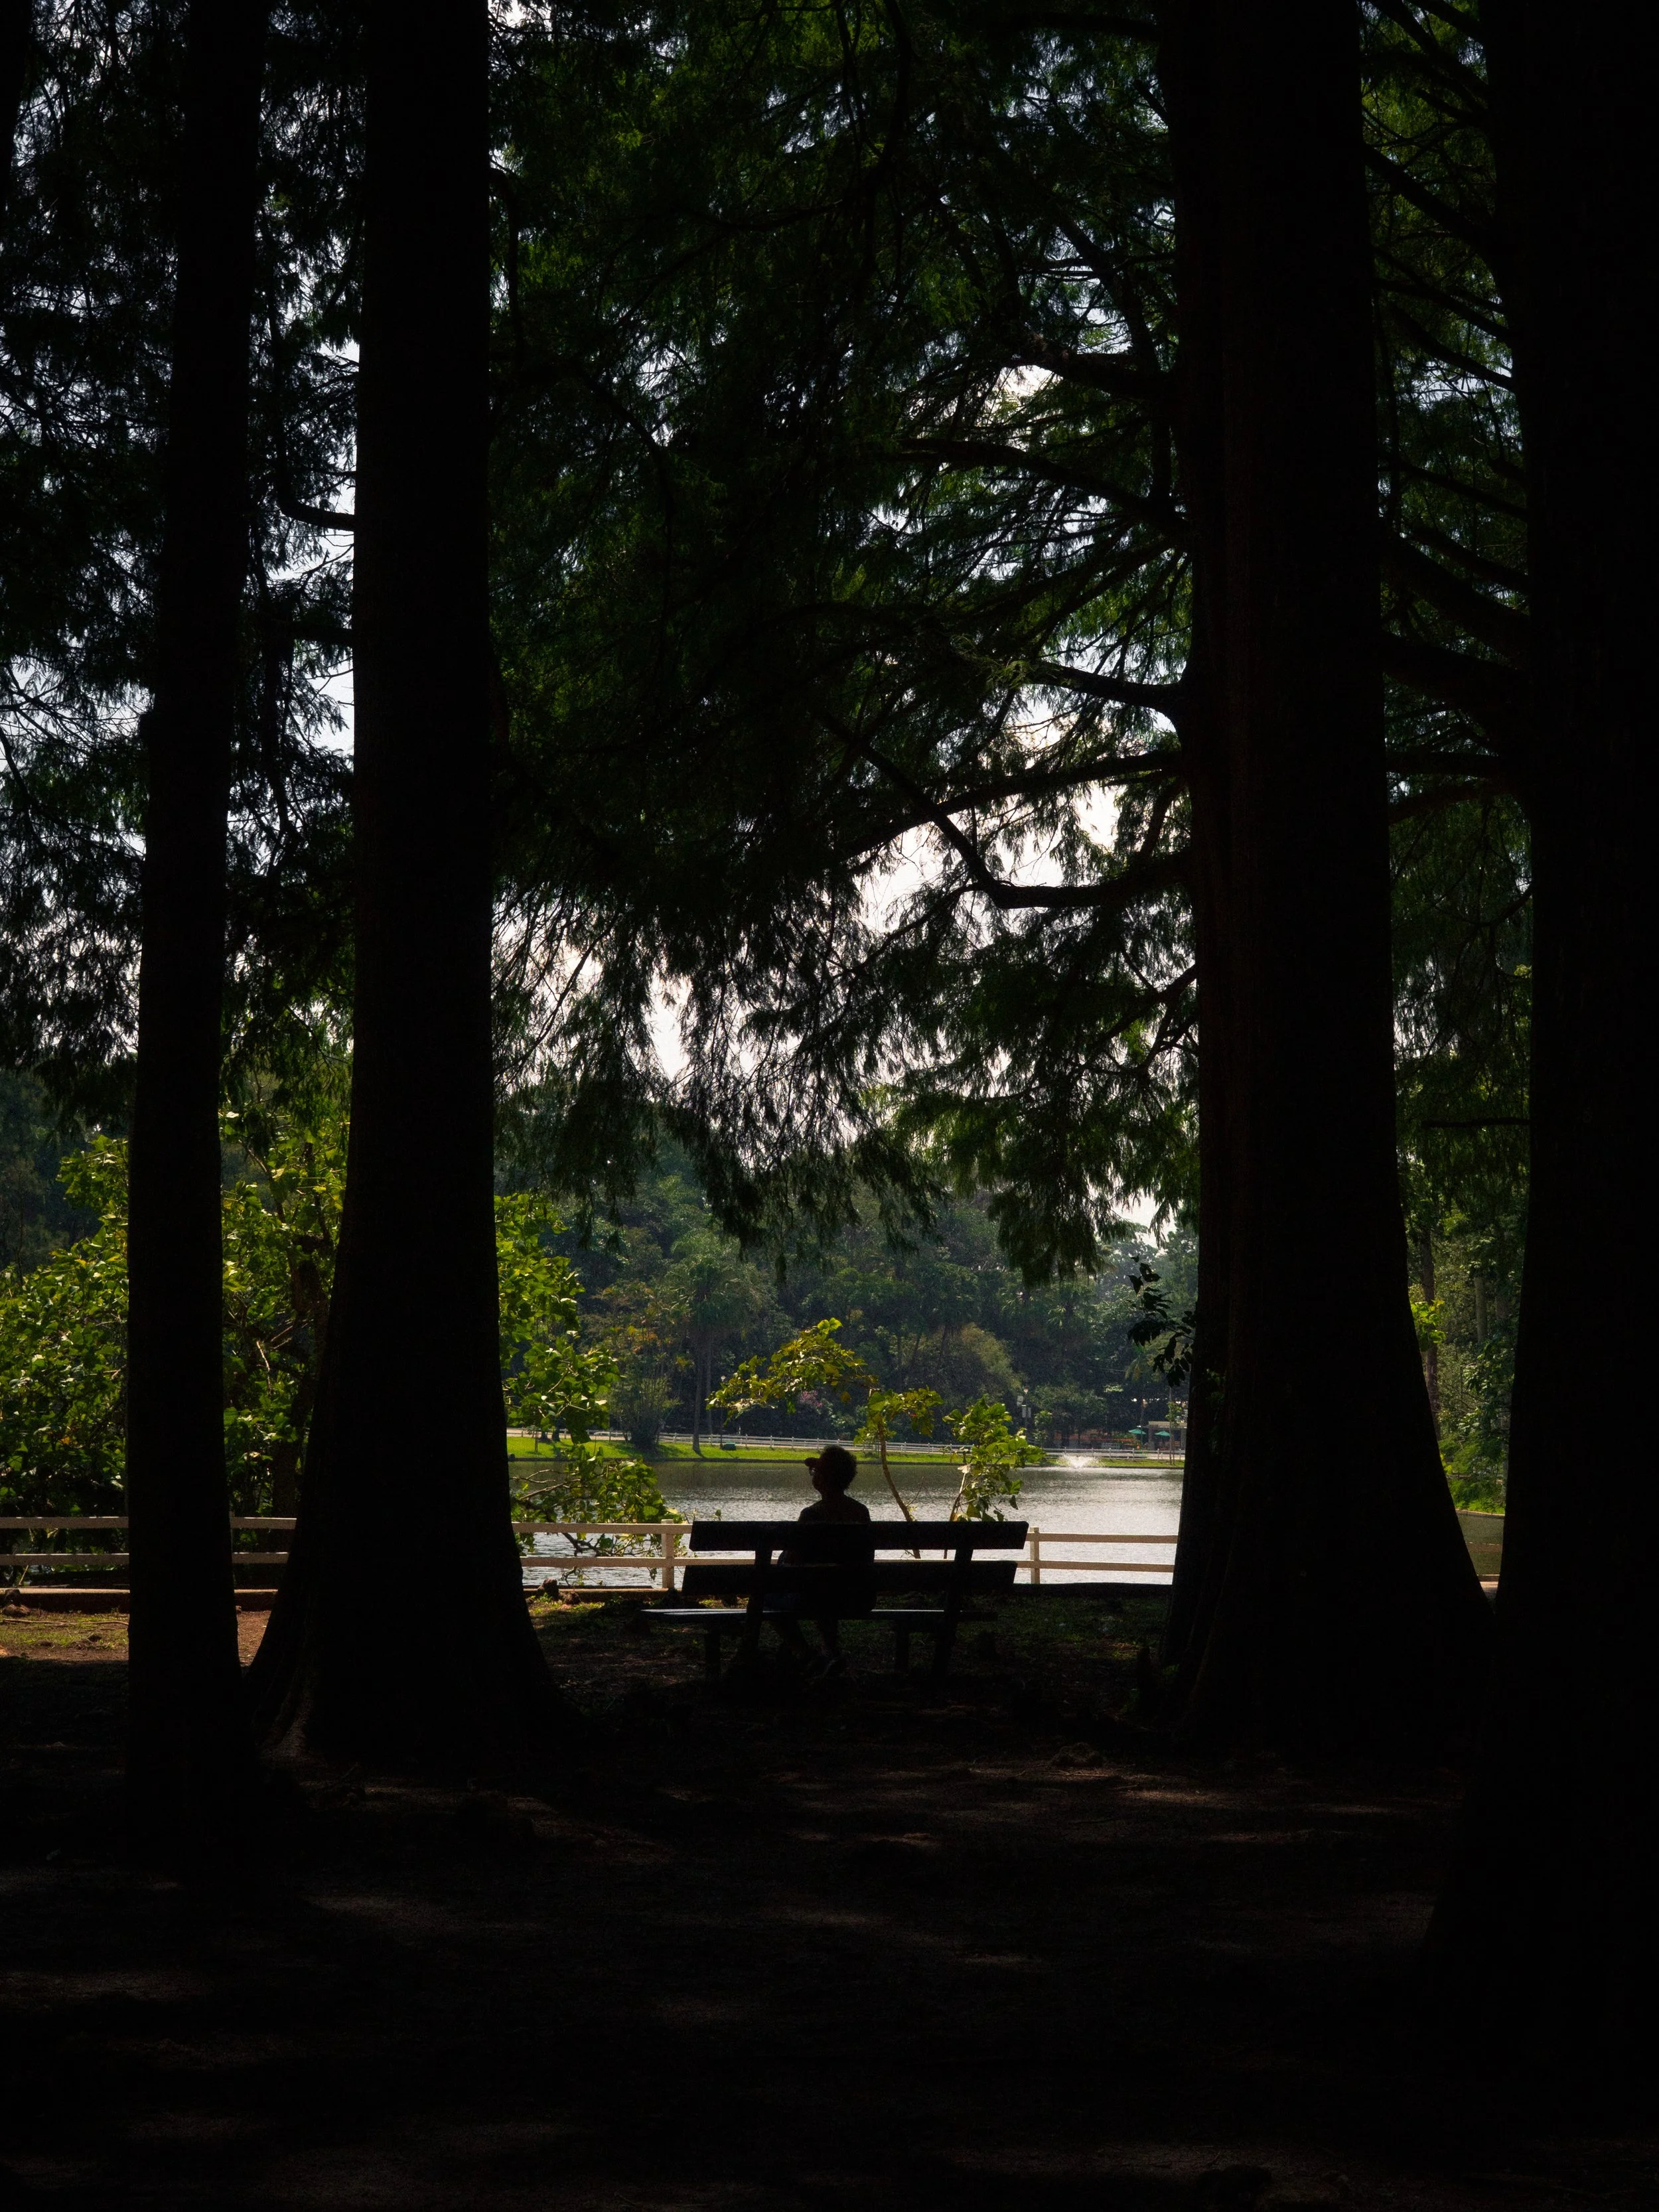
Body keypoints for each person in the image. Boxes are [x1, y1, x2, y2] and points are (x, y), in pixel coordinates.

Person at [771, 1445, 872, 1676]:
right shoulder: (861, 1512)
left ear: (822, 1479)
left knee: (767, 1599)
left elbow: (794, 1565)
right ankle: (831, 1651)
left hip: (815, 1597)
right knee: (827, 1585)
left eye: (816, 1472)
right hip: (857, 1596)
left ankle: (804, 1653)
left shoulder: (811, 1515)